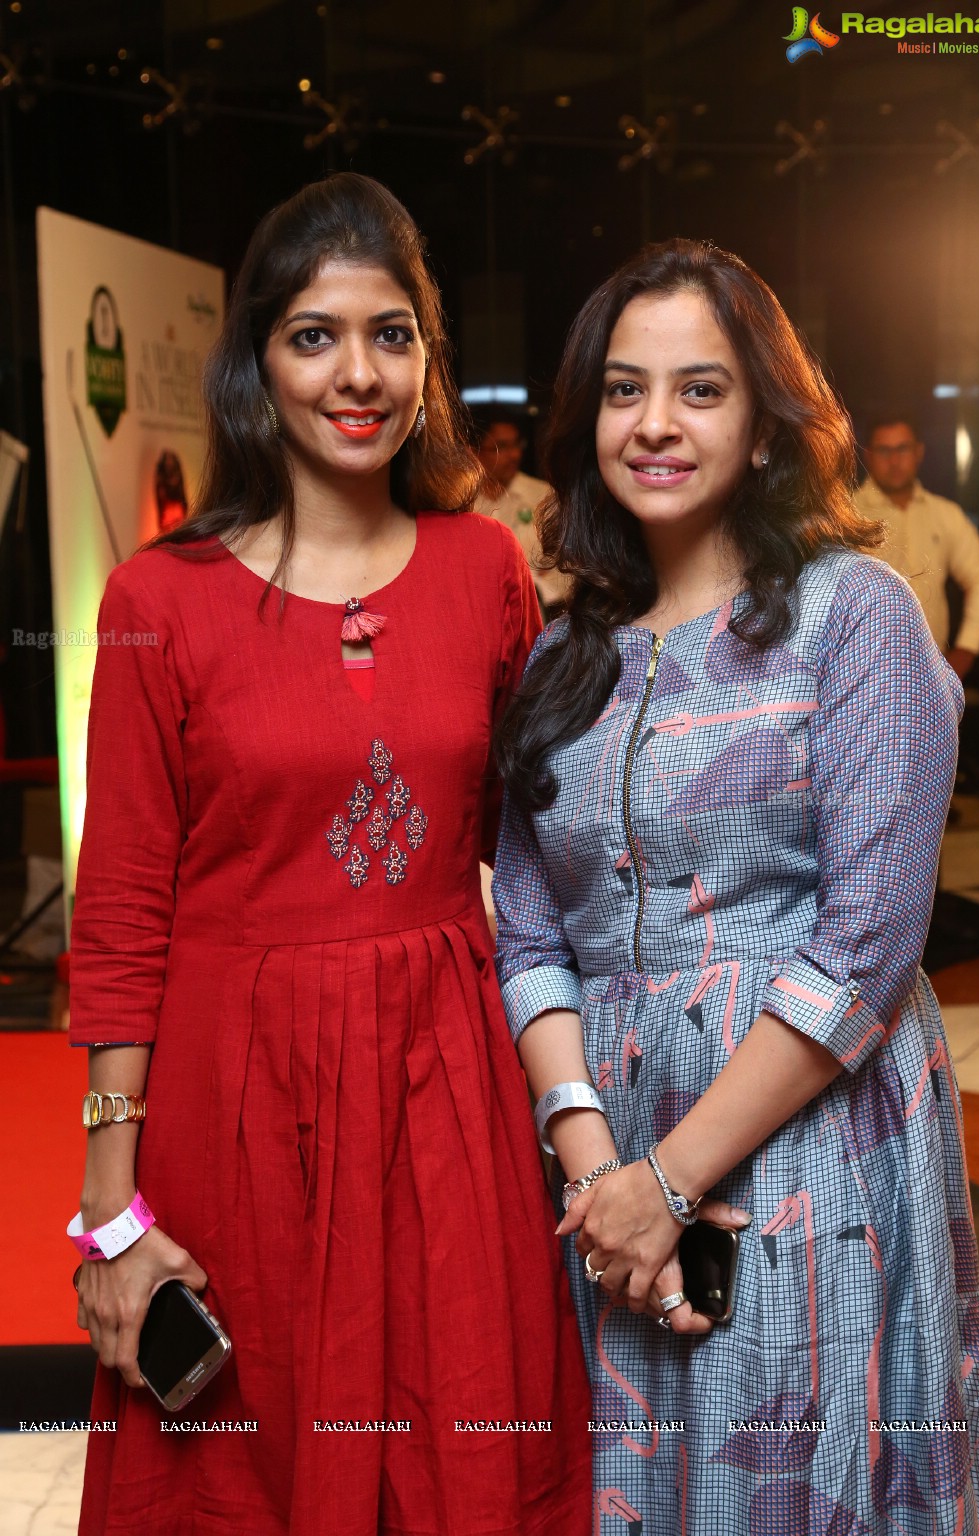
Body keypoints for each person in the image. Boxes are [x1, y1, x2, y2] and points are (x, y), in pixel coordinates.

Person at [69, 173, 591, 1536]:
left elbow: (538, 852)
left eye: (391, 334)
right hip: (235, 1089)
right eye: (314, 336)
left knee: (456, 1429)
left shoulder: (485, 565)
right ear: (256, 360)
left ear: (428, 355)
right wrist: (109, 1221)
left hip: (445, 1075)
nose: (358, 375)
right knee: (246, 1461)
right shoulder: (154, 601)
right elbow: (122, 909)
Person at [491, 238, 979, 1535]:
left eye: (701, 389)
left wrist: (670, 1182)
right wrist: (598, 1168)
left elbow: (868, 948)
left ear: (769, 427)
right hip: (599, 1156)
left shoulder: (853, 614)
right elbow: (531, 932)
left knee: (785, 1478)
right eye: (623, 389)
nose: (655, 422)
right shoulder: (560, 655)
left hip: (802, 1133)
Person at [853, 414, 979, 680]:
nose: (894, 460)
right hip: (863, 675)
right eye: (884, 450)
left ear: (918, 452)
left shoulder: (945, 514)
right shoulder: (848, 515)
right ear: (869, 455)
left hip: (933, 673)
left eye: (903, 448)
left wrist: (966, 649)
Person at [473, 407, 570, 615]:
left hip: (540, 612)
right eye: (501, 447)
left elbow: (565, 562)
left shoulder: (543, 495)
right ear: (475, 452)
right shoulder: (461, 502)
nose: (514, 454)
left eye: (516, 444)